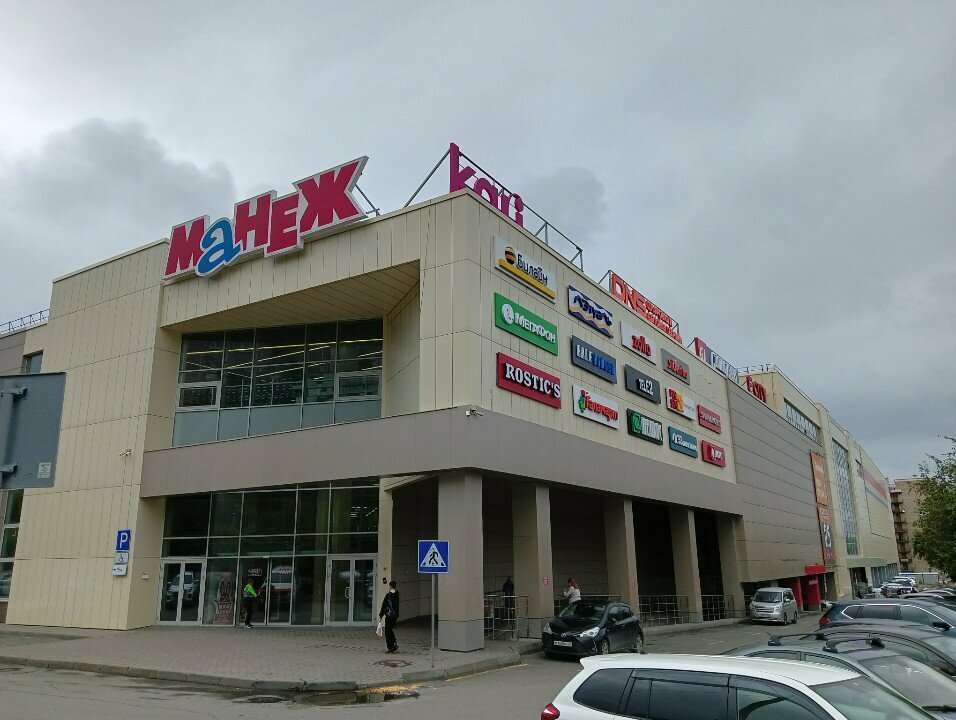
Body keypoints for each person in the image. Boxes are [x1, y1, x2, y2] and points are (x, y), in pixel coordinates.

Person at [379, 580, 400, 653]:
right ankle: (394, 644)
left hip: (389, 616)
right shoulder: (397, 594)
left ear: (390, 586)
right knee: (390, 630)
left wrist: (381, 615)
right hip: (395, 616)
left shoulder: (388, 595)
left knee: (387, 632)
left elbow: (384, 605)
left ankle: (391, 647)